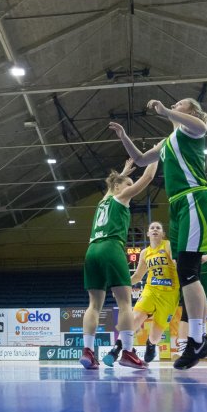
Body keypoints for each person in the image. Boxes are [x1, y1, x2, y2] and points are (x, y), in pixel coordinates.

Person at [111, 97, 207, 370]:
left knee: (188, 269)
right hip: (178, 206)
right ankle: (199, 339)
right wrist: (124, 136)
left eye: (180, 103)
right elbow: (139, 158)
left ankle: (197, 339)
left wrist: (165, 111)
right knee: (187, 271)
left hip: (194, 199)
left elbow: (202, 127)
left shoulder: (192, 129)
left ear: (192, 110)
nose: (175, 104)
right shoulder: (169, 140)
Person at [79, 158, 158, 370]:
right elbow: (148, 177)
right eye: (127, 185)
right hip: (111, 247)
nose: (130, 189)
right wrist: (156, 155)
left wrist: (122, 173)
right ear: (118, 188)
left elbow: (110, 188)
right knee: (124, 303)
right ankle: (128, 353)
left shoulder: (102, 202)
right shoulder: (121, 197)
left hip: (91, 250)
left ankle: (87, 351)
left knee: (94, 305)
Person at [103, 221, 179, 366]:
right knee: (135, 318)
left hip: (170, 294)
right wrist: (122, 286)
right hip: (151, 290)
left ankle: (151, 344)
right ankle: (116, 350)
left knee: (156, 334)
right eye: (152, 228)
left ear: (163, 234)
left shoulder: (168, 245)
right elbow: (138, 276)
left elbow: (177, 263)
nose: (155, 229)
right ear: (148, 233)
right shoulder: (145, 253)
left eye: (158, 228)